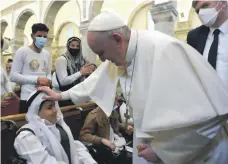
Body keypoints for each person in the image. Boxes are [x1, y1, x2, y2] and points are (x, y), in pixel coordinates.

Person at [39, 11, 228, 164]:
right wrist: (59, 96)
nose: (103, 60)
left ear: (117, 38)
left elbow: (207, 122)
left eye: (101, 53)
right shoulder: (123, 53)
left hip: (192, 153)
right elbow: (94, 81)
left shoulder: (165, 51)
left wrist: (163, 152)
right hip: (149, 145)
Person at [14, 91, 97, 164]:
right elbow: (45, 162)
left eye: (54, 106)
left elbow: (75, 148)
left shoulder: (59, 126)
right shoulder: (26, 136)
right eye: (49, 107)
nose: (55, 110)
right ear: (36, 112)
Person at [10, 23, 52, 113]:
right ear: (32, 36)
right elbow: (13, 76)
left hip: (43, 97)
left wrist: (48, 81)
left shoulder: (47, 54)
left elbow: (48, 73)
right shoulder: (22, 51)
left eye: (45, 37)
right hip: (27, 98)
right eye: (39, 36)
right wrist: (37, 80)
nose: (42, 39)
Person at [187, 0, 228, 88]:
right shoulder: (194, 36)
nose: (201, 13)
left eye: (205, 6)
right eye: (198, 11)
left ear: (223, 3)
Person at [52, 36, 96, 107]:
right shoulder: (62, 60)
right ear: (68, 46)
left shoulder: (81, 61)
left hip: (75, 95)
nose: (75, 48)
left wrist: (89, 71)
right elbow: (63, 82)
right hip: (61, 97)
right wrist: (80, 73)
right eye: (72, 45)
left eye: (77, 46)